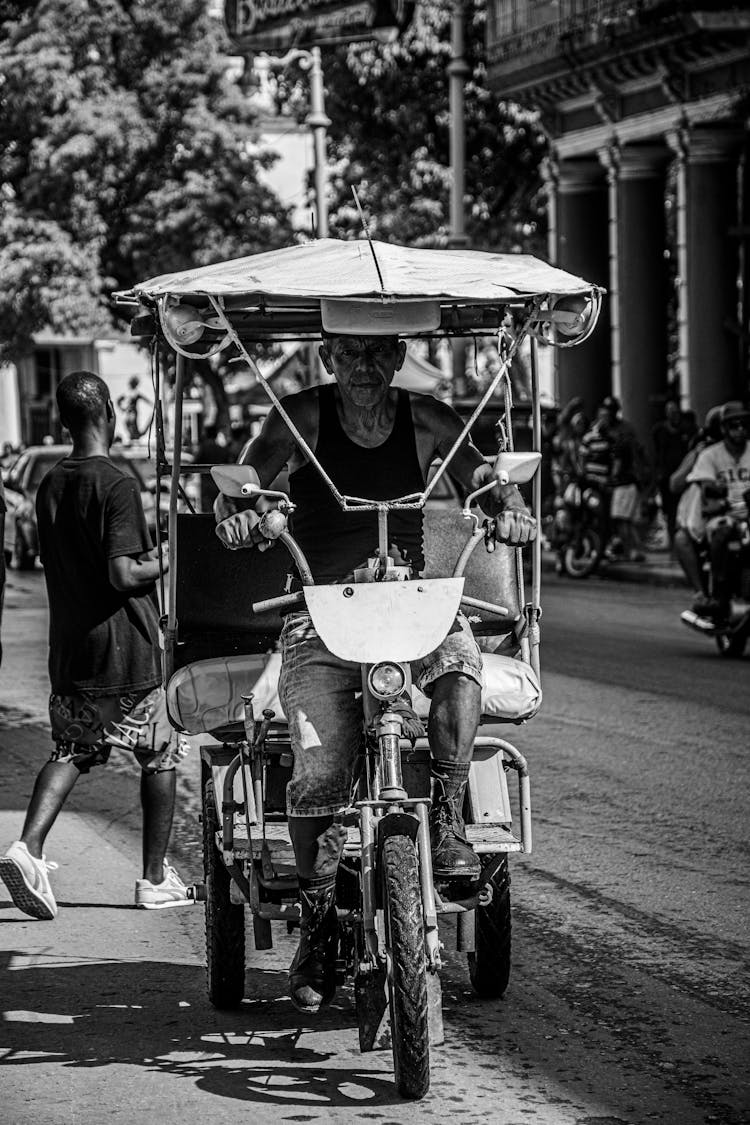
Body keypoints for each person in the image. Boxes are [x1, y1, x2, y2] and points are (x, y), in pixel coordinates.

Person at [214, 330, 536, 1015]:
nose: (363, 367)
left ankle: (446, 819)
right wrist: (239, 516)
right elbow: (236, 492)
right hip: (321, 610)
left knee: (460, 661)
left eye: (377, 352)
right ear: (327, 359)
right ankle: (320, 926)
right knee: (317, 769)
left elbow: (484, 480)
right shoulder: (298, 418)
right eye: (349, 353)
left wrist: (509, 509)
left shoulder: (426, 419)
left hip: (412, 598)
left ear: (397, 356)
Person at [0, 372, 190, 920]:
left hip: (72, 653)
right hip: (125, 654)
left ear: (64, 419)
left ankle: (28, 848)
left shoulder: (50, 483)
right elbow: (124, 574)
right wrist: (165, 560)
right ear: (109, 408)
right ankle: (154, 879)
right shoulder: (118, 484)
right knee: (160, 753)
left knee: (72, 752)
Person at [686, 400, 750, 624]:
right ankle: (720, 597)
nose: (740, 430)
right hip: (725, 514)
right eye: (734, 425)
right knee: (723, 534)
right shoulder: (710, 456)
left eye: (744, 425)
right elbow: (705, 487)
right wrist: (717, 495)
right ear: (724, 429)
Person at [670, 405, 724, 608]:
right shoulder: (704, 453)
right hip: (709, 516)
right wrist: (695, 460)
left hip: (741, 513)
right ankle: (701, 592)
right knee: (682, 539)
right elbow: (675, 483)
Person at [651, 399, 690, 547]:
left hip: (683, 475)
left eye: (675, 411)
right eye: (670, 412)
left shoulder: (686, 429)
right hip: (666, 477)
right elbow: (657, 453)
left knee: (682, 506)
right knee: (669, 509)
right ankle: (672, 538)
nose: (673, 415)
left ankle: (680, 537)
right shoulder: (660, 430)